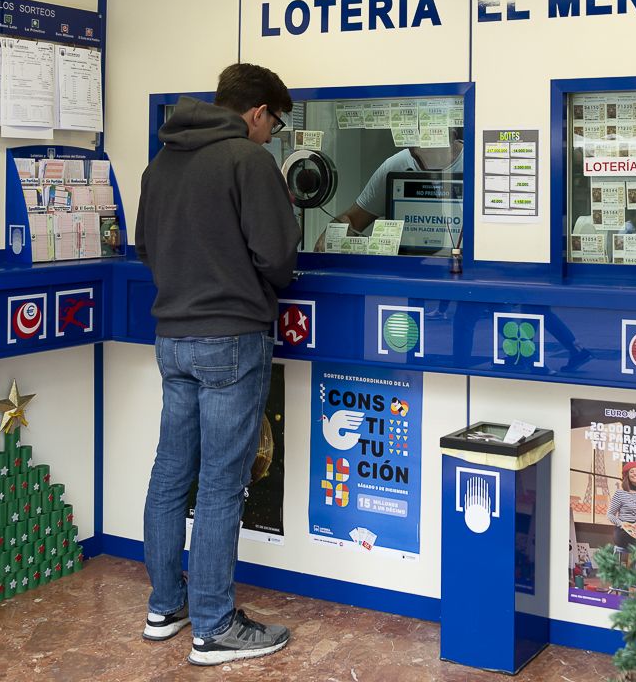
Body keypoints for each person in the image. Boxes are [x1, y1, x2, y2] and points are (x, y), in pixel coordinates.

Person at [135, 63, 299, 667]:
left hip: (173, 337)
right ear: (256, 112)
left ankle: (165, 607)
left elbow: (146, 248)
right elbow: (278, 255)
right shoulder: (248, 161)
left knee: (170, 474)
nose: (271, 137)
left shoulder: (161, 162)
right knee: (223, 486)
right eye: (274, 125)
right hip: (231, 337)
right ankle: (214, 625)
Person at [318, 126, 463, 248]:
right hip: (406, 268)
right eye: (417, 151)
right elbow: (353, 219)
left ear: (452, 135)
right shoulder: (396, 165)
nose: (424, 158)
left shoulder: (475, 161)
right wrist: (332, 235)